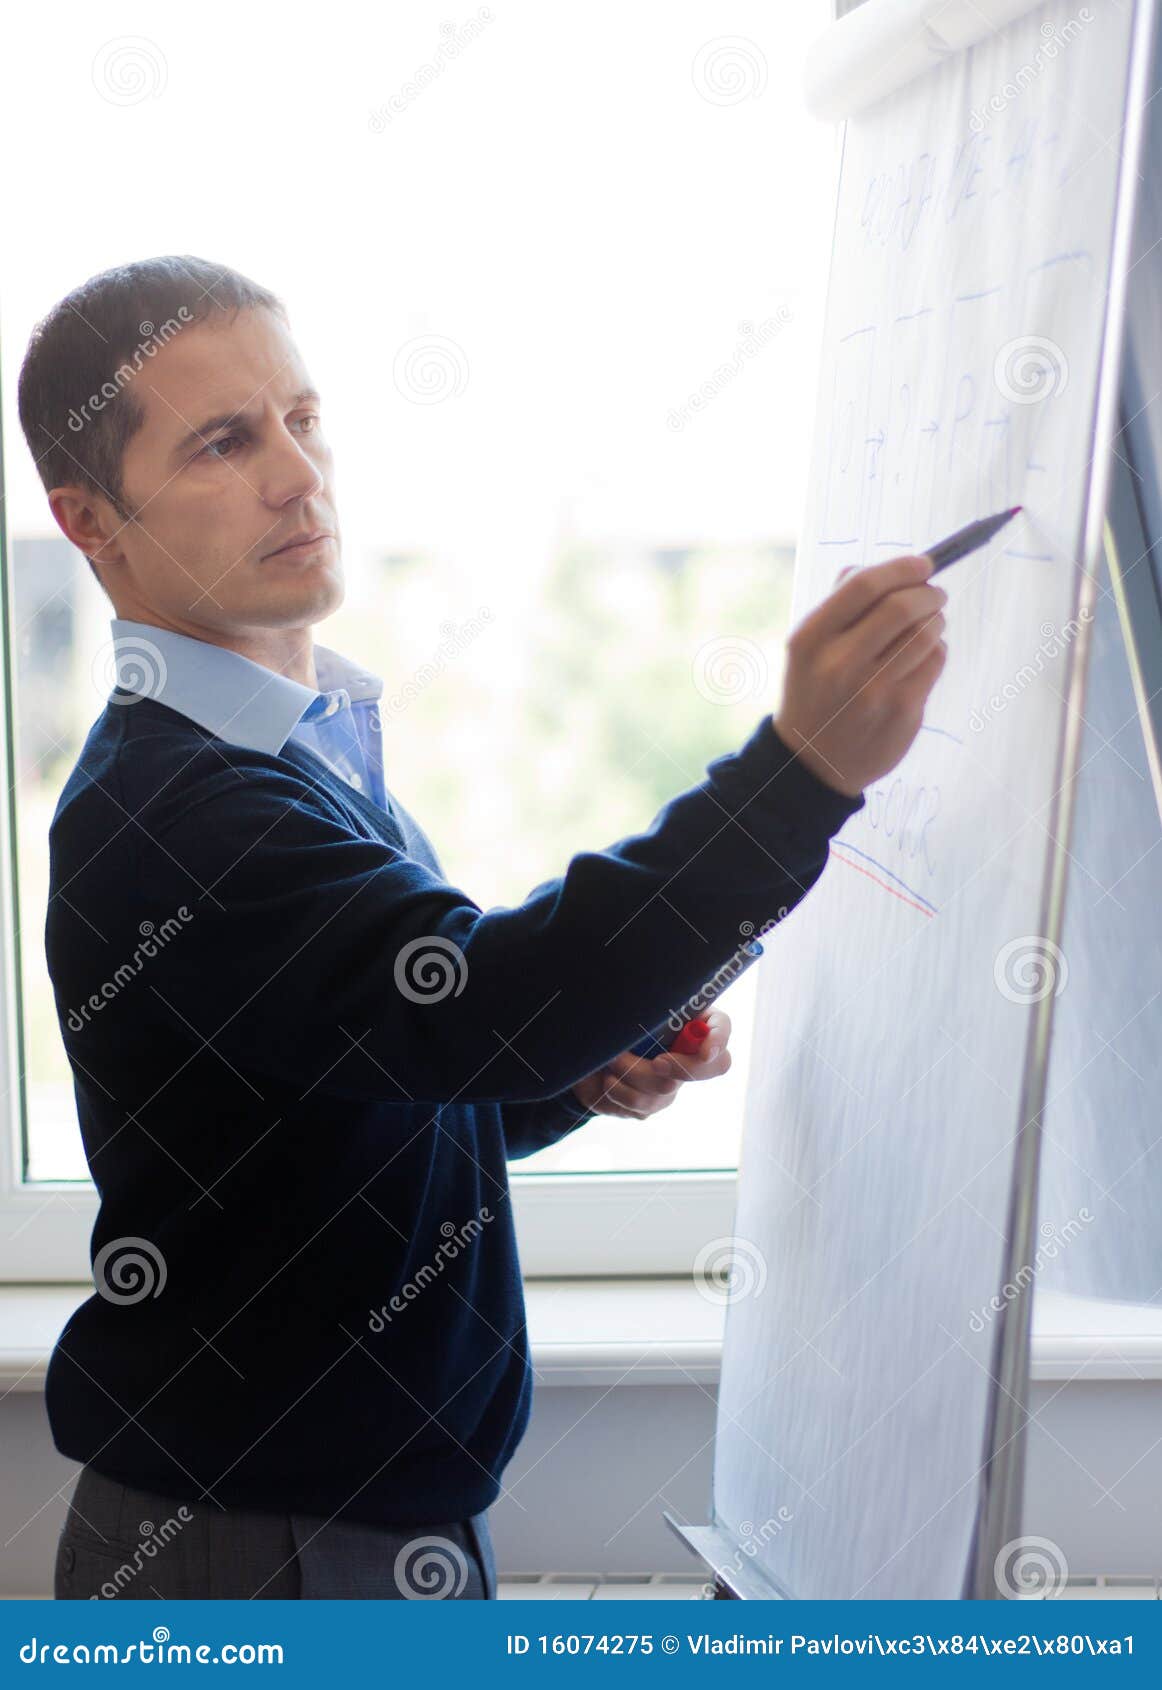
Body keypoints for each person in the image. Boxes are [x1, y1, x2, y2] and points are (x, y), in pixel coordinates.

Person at [17, 256, 947, 1600]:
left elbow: (389, 1065)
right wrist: (797, 771)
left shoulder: (300, 750)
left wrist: (562, 1074)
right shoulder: (182, 812)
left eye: (303, 418)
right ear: (89, 520)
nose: (297, 474)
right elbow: (485, 1001)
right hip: (261, 1551)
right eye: (225, 441)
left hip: (340, 1528)